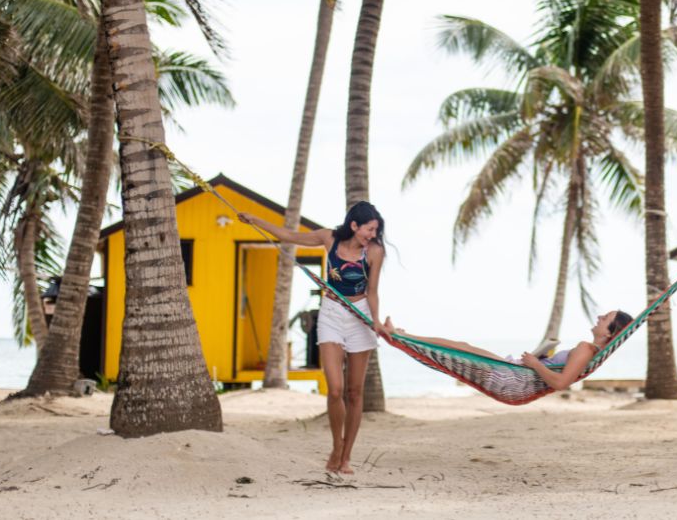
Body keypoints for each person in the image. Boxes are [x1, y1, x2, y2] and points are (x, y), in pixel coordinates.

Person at [237, 201, 387, 475]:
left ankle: (346, 456)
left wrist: (376, 321)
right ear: (354, 225)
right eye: (369, 229)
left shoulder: (375, 251)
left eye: (375, 230)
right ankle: (336, 447)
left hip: (360, 317)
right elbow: (290, 236)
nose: (372, 235)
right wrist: (256, 220)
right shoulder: (328, 238)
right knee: (336, 389)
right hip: (331, 314)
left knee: (355, 392)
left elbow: (373, 290)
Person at [383, 310, 634, 391]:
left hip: (512, 379)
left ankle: (400, 336)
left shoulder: (585, 348)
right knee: (460, 351)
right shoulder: (588, 352)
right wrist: (538, 360)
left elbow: (560, 383)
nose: (599, 316)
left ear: (610, 333)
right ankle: (402, 337)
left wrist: (535, 364)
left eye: (605, 318)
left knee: (459, 350)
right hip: (515, 375)